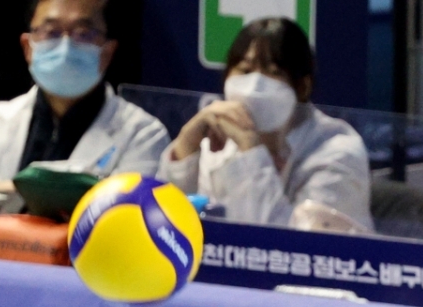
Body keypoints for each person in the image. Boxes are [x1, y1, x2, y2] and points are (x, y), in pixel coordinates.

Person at [0, 0, 169, 203]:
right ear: (28, 47)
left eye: (83, 34)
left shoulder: (144, 134)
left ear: (107, 52)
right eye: (51, 32)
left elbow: (127, 212)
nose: (66, 46)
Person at [158, 17, 372, 231]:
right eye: (245, 70)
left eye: (273, 72)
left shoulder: (339, 153)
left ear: (303, 87)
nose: (254, 86)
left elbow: (290, 244)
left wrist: (251, 153)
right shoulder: (218, 141)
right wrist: (186, 147)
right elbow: (169, 223)